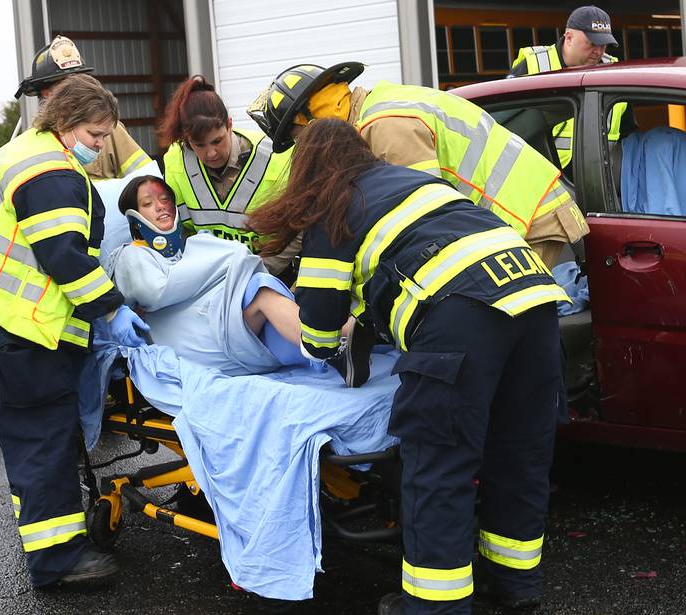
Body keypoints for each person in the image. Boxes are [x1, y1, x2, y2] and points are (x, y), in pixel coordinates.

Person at [248, 119, 569, 614]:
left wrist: (338, 329)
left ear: (307, 168)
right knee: (518, 453)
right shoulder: (419, 181)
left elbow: (316, 332)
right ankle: (514, 583)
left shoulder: (333, 206)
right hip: (536, 299)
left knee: (439, 466)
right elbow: (420, 256)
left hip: (464, 316)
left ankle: (433, 607)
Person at [0, 74, 150, 588]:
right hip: (26, 332)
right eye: (95, 136)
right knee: (43, 441)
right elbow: (63, 256)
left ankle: (57, 545)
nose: (99, 147)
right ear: (67, 124)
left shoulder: (24, 152)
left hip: (4, 325)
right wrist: (111, 310)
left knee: (34, 441)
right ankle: (57, 562)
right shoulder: (51, 174)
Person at [247, 62, 588, 269]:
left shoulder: (384, 124)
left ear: (316, 115)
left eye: (297, 136)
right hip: (519, 213)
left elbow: (424, 222)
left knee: (510, 329)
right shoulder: (378, 107)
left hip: (525, 218)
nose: (302, 147)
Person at [107, 175, 315, 376]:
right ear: (134, 217)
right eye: (147, 203)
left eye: (165, 199)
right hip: (191, 337)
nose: (160, 206)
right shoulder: (132, 254)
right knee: (263, 293)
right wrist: (215, 260)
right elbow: (156, 293)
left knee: (263, 293)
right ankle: (325, 342)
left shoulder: (192, 247)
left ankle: (336, 340)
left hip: (221, 323)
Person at [159, 76, 299, 277]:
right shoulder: (175, 162)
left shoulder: (275, 156)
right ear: (186, 139)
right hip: (208, 278)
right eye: (199, 145)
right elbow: (177, 230)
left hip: (267, 274)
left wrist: (259, 272)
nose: (211, 153)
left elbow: (299, 229)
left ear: (229, 124)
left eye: (217, 141)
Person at [508, 5, 633, 169]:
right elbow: (505, 122)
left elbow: (628, 132)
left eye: (603, 45)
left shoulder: (614, 72)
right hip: (540, 174)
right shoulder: (533, 65)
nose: (598, 51)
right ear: (569, 37)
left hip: (597, 179)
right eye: (592, 43)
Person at [15, 35, 153, 180]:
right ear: (47, 95)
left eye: (79, 82)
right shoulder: (35, 142)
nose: (77, 91)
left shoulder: (109, 129)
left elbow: (148, 181)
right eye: (66, 86)